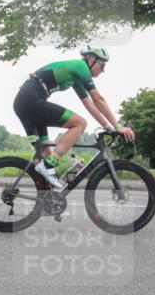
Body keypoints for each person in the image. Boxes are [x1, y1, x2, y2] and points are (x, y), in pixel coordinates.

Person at [13, 46, 136, 189]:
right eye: (102, 65)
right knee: (80, 124)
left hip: (26, 104)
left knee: (46, 155)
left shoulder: (77, 77)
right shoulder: (81, 67)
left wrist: (108, 127)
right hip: (30, 102)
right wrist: (118, 127)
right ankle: (48, 165)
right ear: (91, 60)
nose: (103, 70)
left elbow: (89, 104)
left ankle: (45, 198)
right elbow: (98, 99)